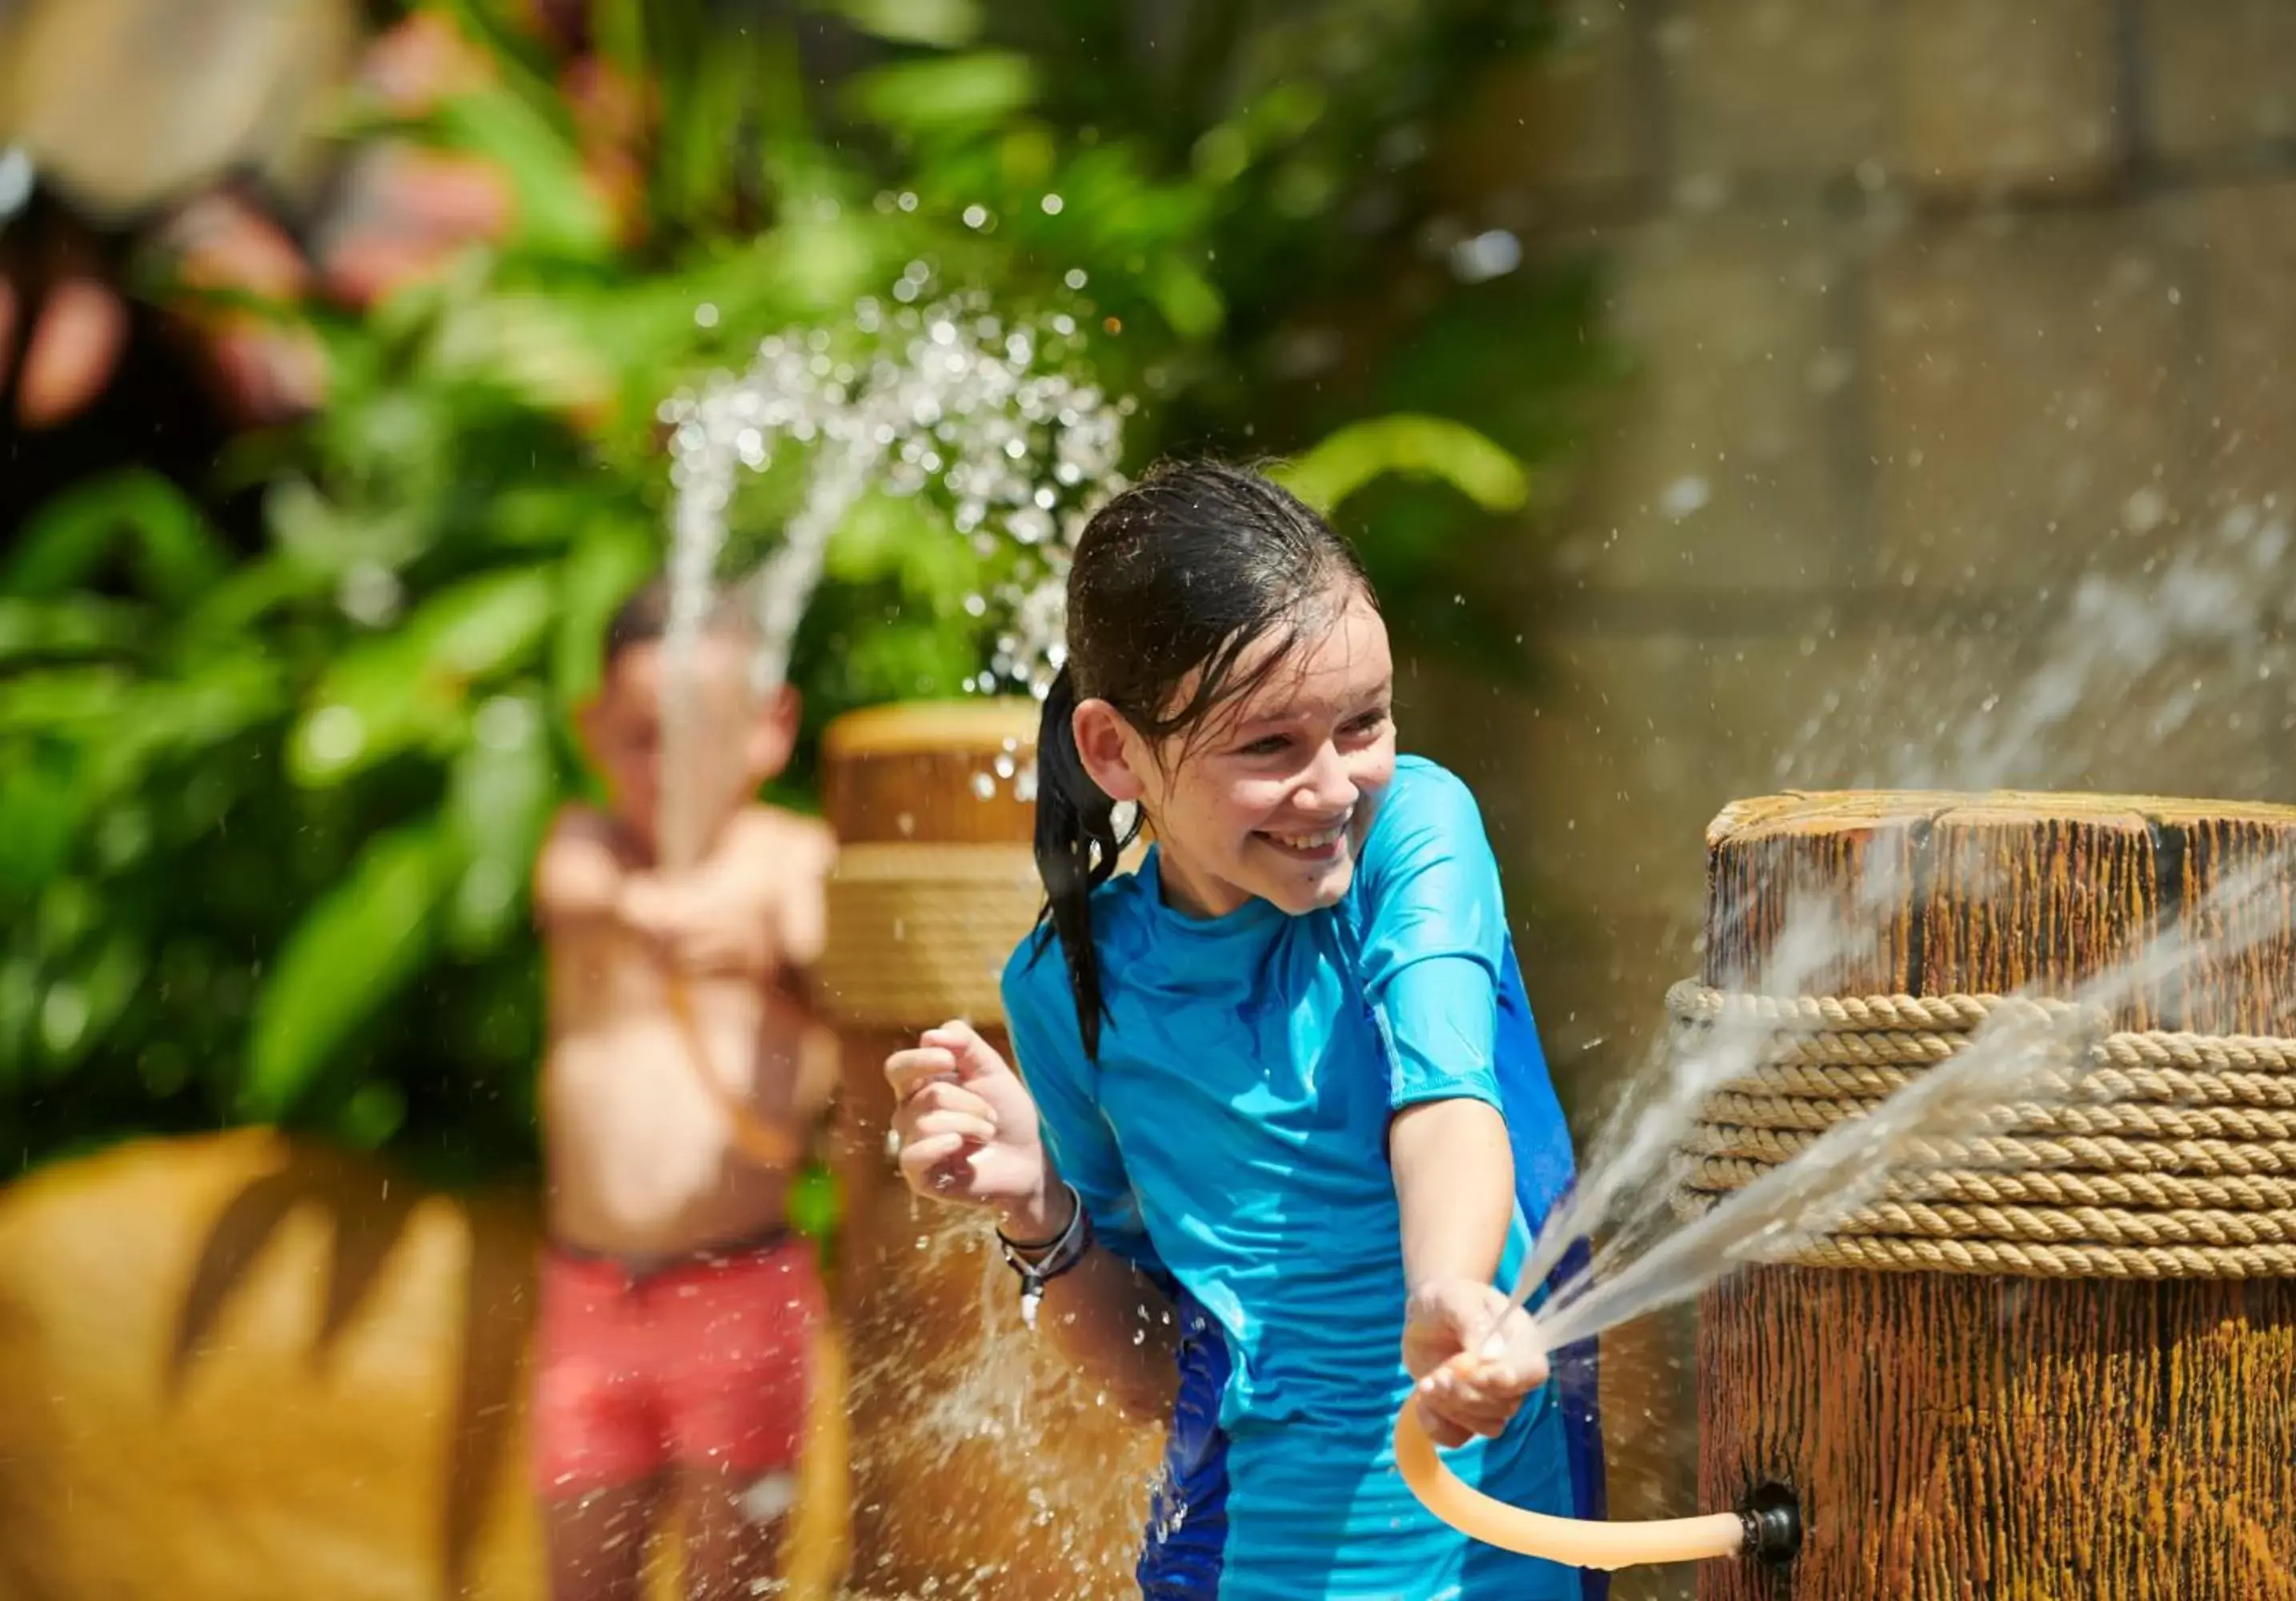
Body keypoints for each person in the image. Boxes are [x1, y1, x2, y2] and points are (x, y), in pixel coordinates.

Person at [884, 460, 1606, 1600]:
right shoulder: (1071, 989)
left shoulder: (1414, 834)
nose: (1330, 788)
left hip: (1491, 1546)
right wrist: (1038, 1209)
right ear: (1117, 752)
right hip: (1231, 1564)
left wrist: (1450, 1296)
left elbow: (1446, 1100)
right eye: (1268, 747)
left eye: (1362, 722)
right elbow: (1150, 1377)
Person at [530, 578, 839, 1601]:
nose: (670, 769)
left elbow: (837, 969)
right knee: (582, 1579)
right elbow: (566, 894)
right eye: (641, 738)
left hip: (739, 1294)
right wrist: (646, 907)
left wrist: (765, 952)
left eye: (701, 733)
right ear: (594, 731)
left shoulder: (791, 860)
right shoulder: (590, 849)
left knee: (731, 1582)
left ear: (769, 727)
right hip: (591, 1297)